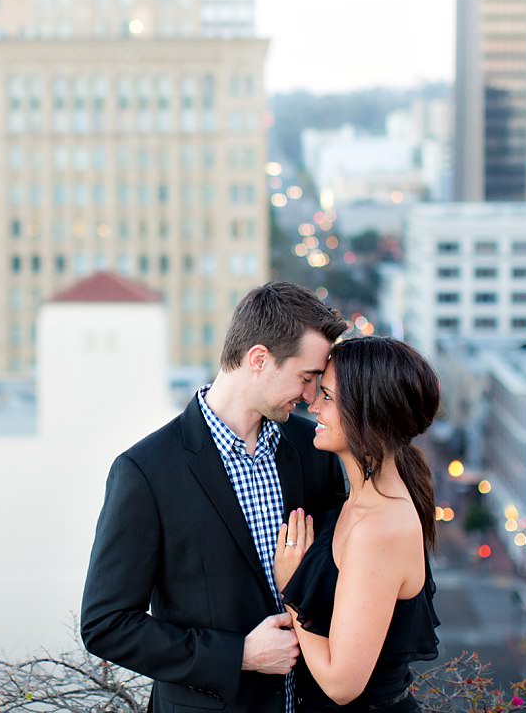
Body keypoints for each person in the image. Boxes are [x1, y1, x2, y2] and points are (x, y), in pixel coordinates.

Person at [81, 281, 348, 713]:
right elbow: (105, 626)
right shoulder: (146, 472)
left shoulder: (311, 448)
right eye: (306, 377)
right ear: (259, 359)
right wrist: (238, 654)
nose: (310, 395)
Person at [273, 336, 441, 712]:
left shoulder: (378, 527)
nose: (313, 405)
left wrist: (291, 588)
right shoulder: (360, 502)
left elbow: (341, 684)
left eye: (328, 397)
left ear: (370, 413)